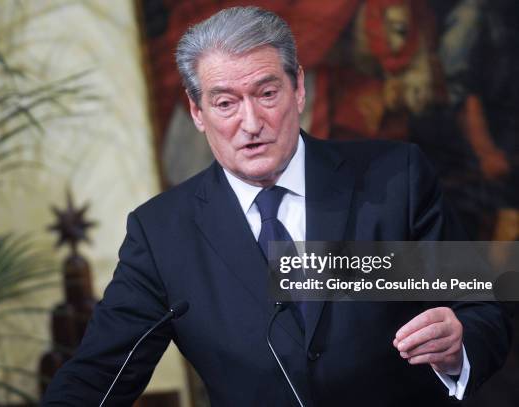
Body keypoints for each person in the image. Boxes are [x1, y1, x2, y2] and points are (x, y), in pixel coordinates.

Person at [43, 7, 509, 406]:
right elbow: (97, 375)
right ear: (197, 112)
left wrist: (458, 346)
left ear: (298, 89)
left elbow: (482, 311)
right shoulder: (163, 234)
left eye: (266, 94)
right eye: (225, 103)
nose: (251, 123)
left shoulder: (394, 178)